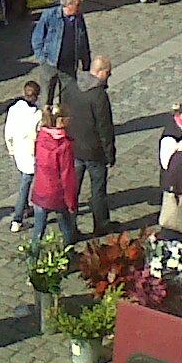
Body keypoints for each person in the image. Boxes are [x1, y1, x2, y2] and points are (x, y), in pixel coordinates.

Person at [63, 56, 117, 236]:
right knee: (98, 190)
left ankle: (70, 227)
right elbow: (105, 128)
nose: (108, 78)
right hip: (95, 152)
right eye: (107, 74)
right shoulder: (98, 95)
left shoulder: (71, 87)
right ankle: (100, 225)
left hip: (74, 148)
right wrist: (110, 153)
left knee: (72, 191)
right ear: (100, 72)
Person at [30, 0, 91, 108]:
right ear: (68, 5)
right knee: (46, 99)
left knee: (68, 100)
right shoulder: (50, 15)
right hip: (50, 63)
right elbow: (37, 38)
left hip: (69, 66)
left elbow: (83, 40)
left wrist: (86, 61)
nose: (80, 7)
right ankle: (46, 123)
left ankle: (64, 123)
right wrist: (42, 58)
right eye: (78, 4)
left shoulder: (78, 18)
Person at [30, 106, 79, 244]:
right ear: (61, 121)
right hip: (57, 195)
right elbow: (67, 176)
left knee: (38, 231)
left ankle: (32, 260)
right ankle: (69, 258)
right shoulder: (64, 145)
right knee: (66, 229)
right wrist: (71, 202)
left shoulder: (41, 138)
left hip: (40, 190)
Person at [3, 79, 42, 233]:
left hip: (17, 152)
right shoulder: (37, 115)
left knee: (23, 181)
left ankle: (25, 208)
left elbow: (8, 132)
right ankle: (17, 219)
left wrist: (11, 150)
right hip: (30, 155)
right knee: (25, 186)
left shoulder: (13, 109)